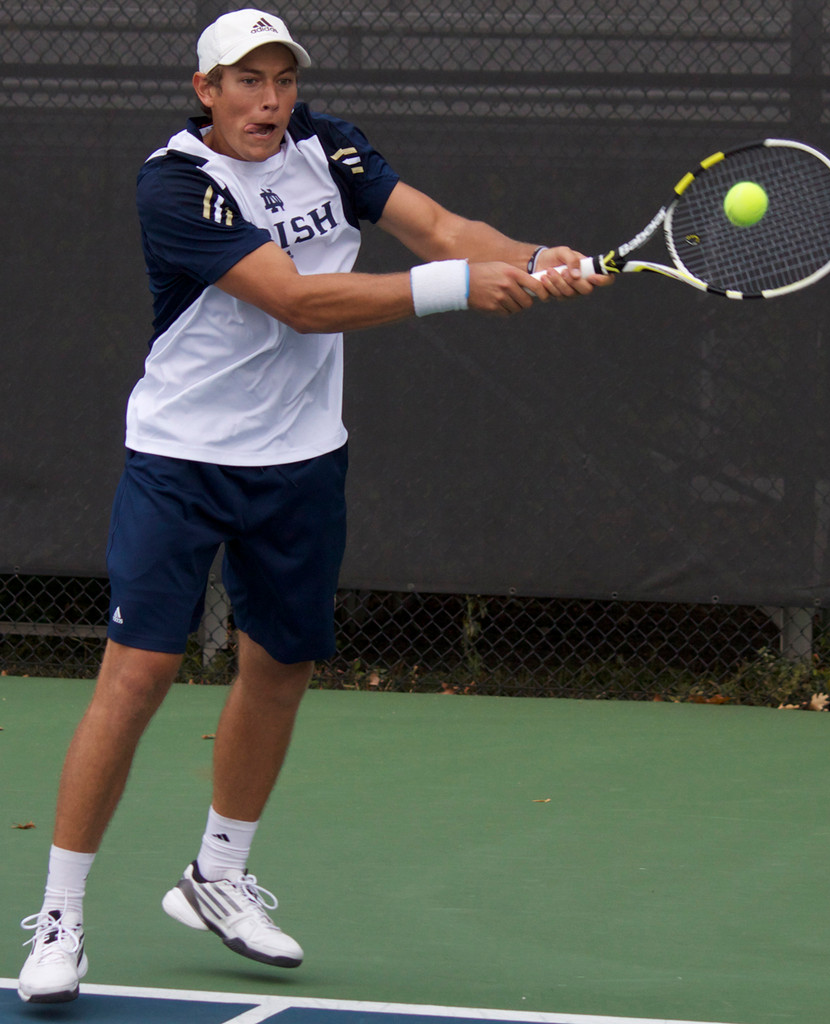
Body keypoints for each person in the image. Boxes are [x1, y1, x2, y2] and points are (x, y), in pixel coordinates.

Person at [16, 7, 611, 1005]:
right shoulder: (174, 184)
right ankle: (64, 913)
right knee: (141, 670)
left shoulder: (327, 146)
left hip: (300, 461)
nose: (269, 100)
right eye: (246, 82)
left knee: (280, 662)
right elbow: (295, 298)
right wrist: (458, 287)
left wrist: (531, 254)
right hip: (183, 456)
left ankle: (218, 874)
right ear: (205, 91)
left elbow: (441, 228)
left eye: (281, 80)